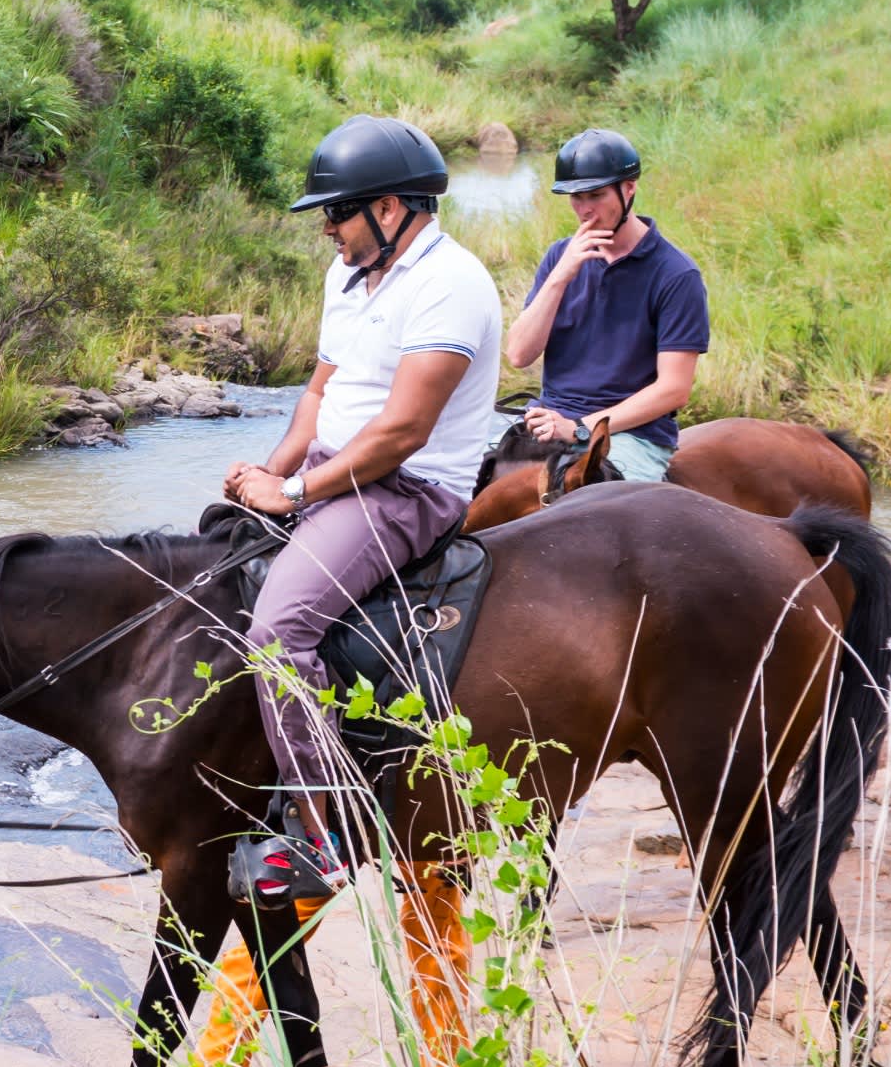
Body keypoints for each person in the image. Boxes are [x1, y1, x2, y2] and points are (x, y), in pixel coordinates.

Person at [222, 116, 503, 891]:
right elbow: (321, 391)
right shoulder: (350, 276)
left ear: (389, 210)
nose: (327, 230)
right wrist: (268, 472)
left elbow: (404, 430)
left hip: (404, 491)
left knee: (279, 633)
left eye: (336, 213)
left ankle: (328, 829)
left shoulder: (452, 284)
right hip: (332, 468)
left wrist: (298, 491)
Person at [502, 127, 708, 482]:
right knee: (458, 488)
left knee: (606, 519)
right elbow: (519, 355)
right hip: (548, 418)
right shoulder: (559, 257)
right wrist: (560, 277)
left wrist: (580, 428)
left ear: (629, 189)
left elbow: (674, 389)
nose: (584, 211)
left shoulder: (676, 274)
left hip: (631, 436)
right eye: (575, 198)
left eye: (595, 196)